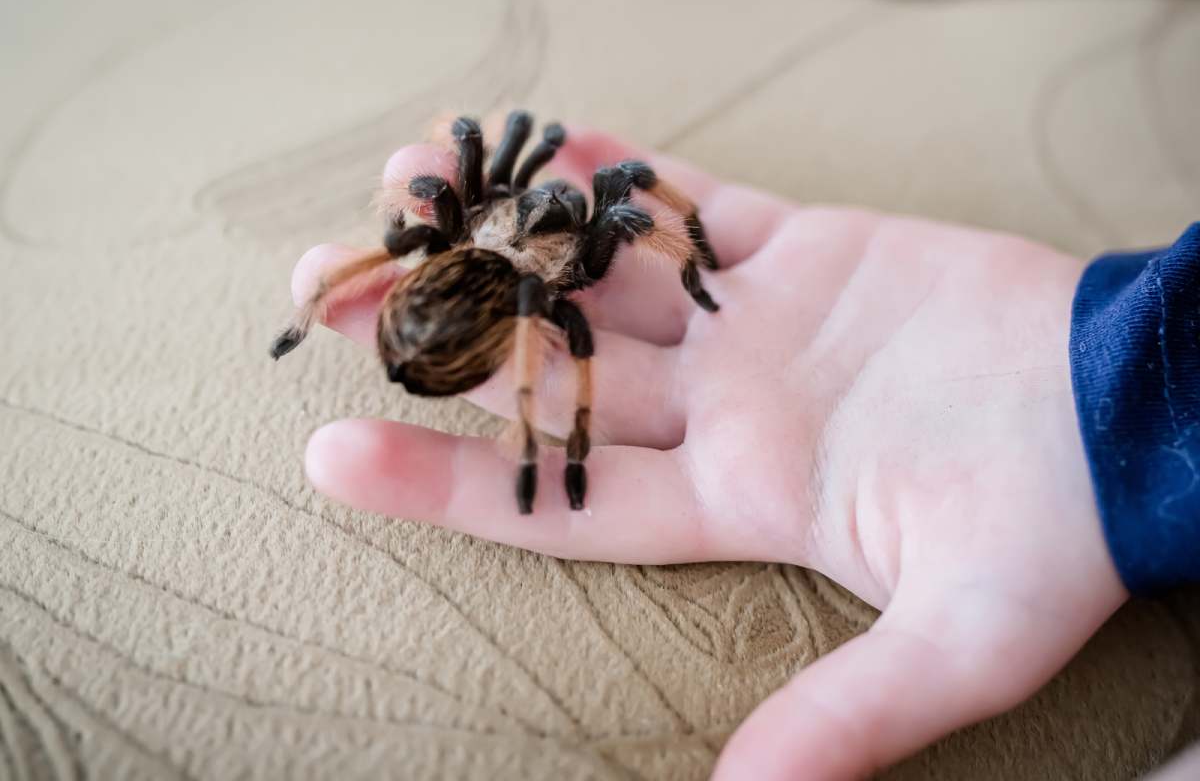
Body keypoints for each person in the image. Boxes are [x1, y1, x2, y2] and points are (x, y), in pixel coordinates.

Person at [288, 125, 1198, 780]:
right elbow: (626, 208)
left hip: (458, 290)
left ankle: (316, 312)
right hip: (484, 301)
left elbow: (450, 197)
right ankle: (365, 332)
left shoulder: (457, 231)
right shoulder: (571, 264)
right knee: (600, 187)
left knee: (505, 173)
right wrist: (685, 262)